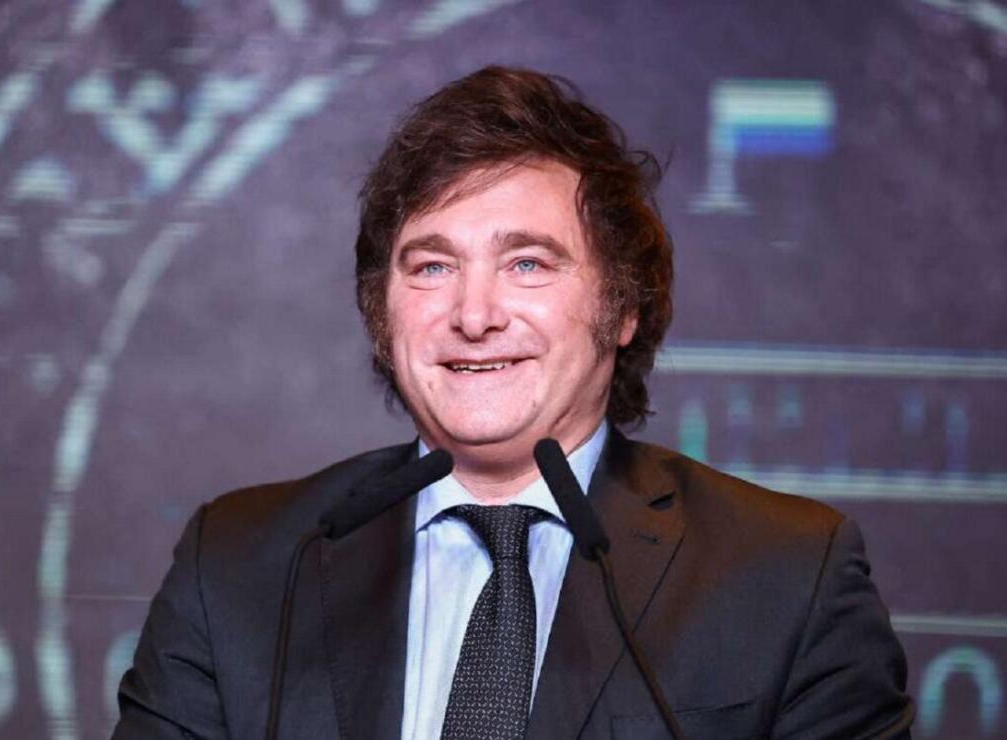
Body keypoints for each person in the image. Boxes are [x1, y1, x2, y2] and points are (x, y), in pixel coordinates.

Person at [114, 66, 914, 739]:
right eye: (432, 267)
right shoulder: (240, 564)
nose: (474, 314)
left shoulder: (787, 576)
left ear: (623, 306)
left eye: (527, 264)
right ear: (381, 312)